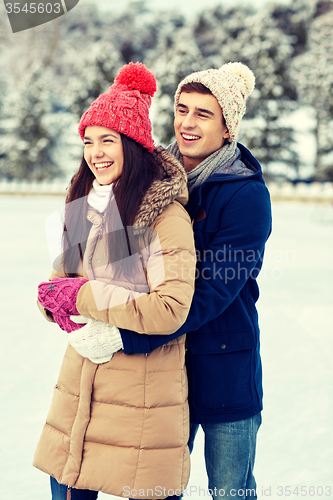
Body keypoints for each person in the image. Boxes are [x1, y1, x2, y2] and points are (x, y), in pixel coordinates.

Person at [33, 62, 196, 500]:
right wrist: (54, 302)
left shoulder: (166, 216)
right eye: (88, 141)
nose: (96, 152)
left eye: (108, 140)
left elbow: (170, 308)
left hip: (141, 404)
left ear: (134, 145)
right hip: (78, 401)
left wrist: (83, 296)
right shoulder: (85, 204)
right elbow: (58, 287)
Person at [112, 62, 272, 500]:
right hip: (163, 370)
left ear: (228, 128)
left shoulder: (245, 194)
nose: (186, 123)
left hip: (224, 366)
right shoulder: (150, 179)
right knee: (155, 490)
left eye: (203, 114)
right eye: (182, 109)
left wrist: (138, 332)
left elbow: (217, 287)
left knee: (230, 492)